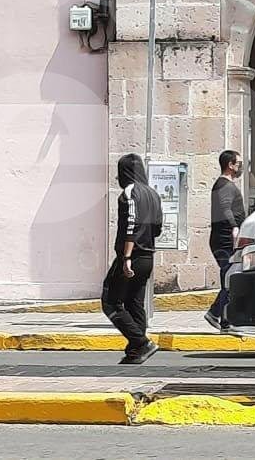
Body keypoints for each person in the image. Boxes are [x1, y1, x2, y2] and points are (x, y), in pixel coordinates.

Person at [102, 153, 163, 364]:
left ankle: (140, 342)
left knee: (111, 302)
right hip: (148, 255)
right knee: (135, 302)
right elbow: (157, 228)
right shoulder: (153, 194)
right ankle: (135, 350)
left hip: (132, 255)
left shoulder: (130, 192)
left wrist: (127, 256)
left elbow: (131, 224)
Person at [205, 150, 246, 331]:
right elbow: (225, 207)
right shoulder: (224, 186)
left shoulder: (225, 185)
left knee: (230, 278)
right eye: (239, 163)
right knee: (230, 278)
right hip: (225, 241)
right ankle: (215, 313)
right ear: (230, 165)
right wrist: (234, 227)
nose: (241, 167)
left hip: (225, 239)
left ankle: (225, 320)